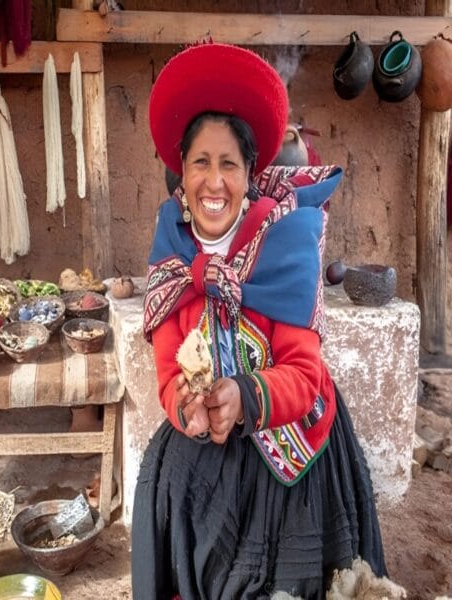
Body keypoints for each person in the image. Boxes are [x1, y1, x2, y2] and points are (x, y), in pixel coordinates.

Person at [131, 42, 387, 599]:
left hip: (289, 435)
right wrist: (187, 407)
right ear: (182, 170)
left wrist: (246, 397)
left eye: (230, 164)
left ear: (251, 174)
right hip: (214, 437)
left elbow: (305, 373)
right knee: (166, 479)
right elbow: (168, 372)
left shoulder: (284, 241)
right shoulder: (171, 249)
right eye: (201, 162)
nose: (214, 182)